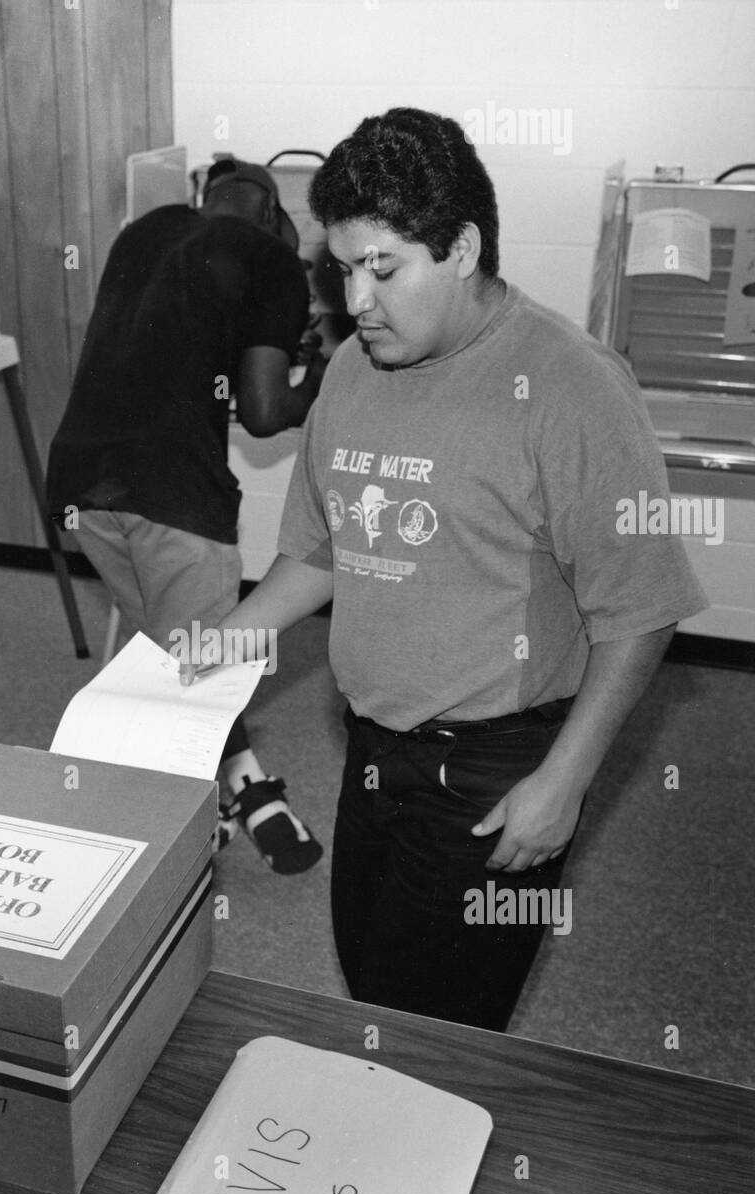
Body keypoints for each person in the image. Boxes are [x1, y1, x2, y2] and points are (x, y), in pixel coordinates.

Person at [181, 108, 708, 1030]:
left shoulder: (573, 386)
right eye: (342, 270)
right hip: (374, 750)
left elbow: (643, 609)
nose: (357, 301)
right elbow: (323, 548)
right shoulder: (352, 371)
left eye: (383, 268)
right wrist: (225, 643)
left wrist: (566, 782)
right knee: (374, 977)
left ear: (462, 248)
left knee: (447, 1029)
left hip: (503, 767)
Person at [47, 159, 328, 874]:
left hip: (80, 489)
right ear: (274, 218)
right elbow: (265, 414)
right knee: (199, 683)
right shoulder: (275, 260)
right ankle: (168, 856)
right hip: (175, 500)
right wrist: (319, 378)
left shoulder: (145, 231)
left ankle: (245, 783)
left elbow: (167, 347)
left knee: (180, 662)